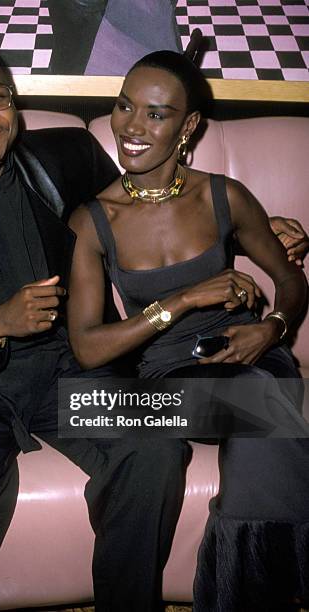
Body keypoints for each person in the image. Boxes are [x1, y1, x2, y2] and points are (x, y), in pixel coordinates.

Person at [0, 38, 307, 612]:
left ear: (14, 104)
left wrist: (251, 224)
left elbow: (141, 198)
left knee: (154, 455)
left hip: (70, 377)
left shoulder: (66, 156)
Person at [67, 50, 309, 611]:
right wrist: (179, 301)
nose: (131, 126)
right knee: (271, 413)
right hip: (168, 381)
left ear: (188, 125)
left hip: (252, 359)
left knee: (263, 413)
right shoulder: (94, 220)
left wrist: (271, 329)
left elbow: (289, 282)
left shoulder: (222, 195)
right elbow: (86, 348)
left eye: (155, 114)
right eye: (125, 107)